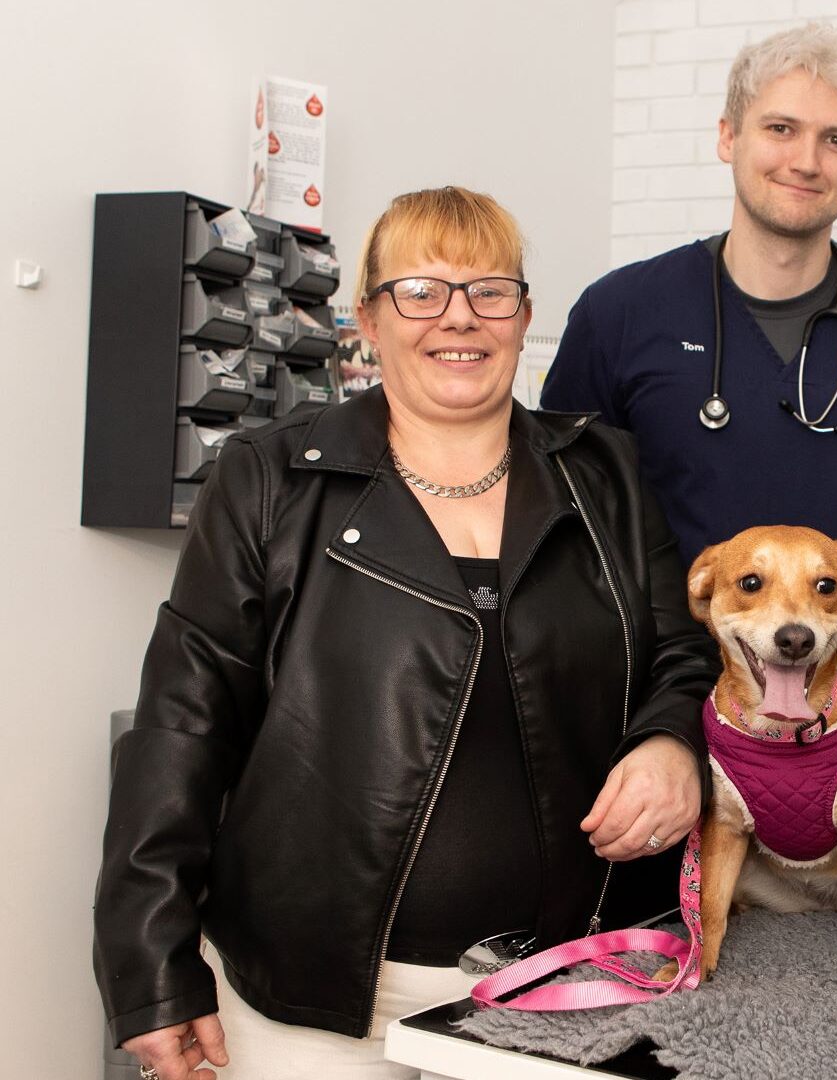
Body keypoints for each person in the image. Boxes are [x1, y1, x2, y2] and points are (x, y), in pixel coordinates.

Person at [94, 187, 717, 1080]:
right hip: (311, 999)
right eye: (421, 291)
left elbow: (682, 654)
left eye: (489, 292)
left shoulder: (604, 472)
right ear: (369, 319)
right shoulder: (268, 480)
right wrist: (149, 968)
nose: (458, 319)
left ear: (524, 315)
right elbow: (181, 728)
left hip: (563, 986)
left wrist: (673, 744)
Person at [541, 23, 837, 763]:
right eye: (781, 128)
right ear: (728, 135)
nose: (807, 161)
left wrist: (815, 661)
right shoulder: (619, 316)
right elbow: (567, 543)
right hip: (663, 732)